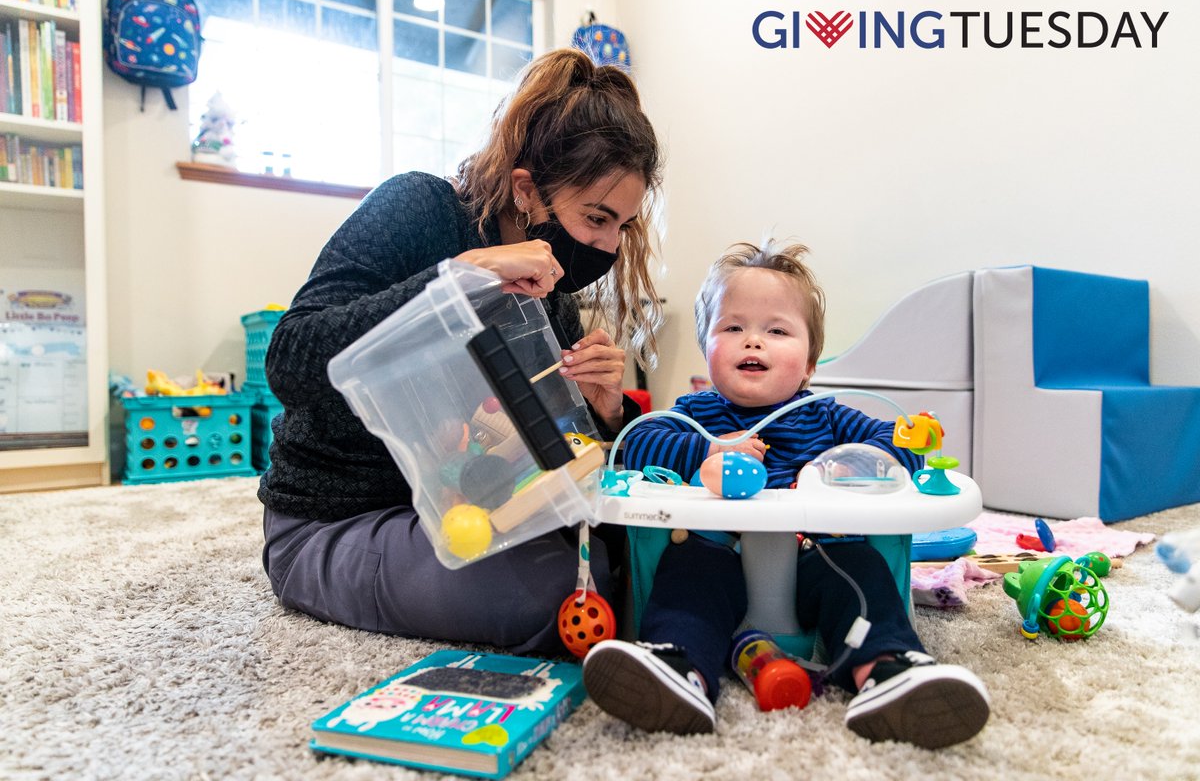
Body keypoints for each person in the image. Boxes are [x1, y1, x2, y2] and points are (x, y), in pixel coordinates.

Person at [259, 48, 662, 657]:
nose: (606, 245)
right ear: (527, 191)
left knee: (644, 549)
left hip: (468, 517)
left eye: (622, 227)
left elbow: (549, 454)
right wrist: (456, 279)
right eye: (597, 218)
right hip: (335, 521)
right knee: (571, 594)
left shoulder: (549, 288)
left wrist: (605, 413)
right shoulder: (418, 208)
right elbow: (289, 361)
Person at [582, 239, 990, 749]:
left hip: (818, 559)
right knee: (687, 572)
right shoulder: (695, 412)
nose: (753, 342)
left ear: (811, 362)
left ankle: (886, 670)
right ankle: (680, 667)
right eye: (733, 328)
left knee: (861, 571)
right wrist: (707, 454)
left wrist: (836, 466)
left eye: (776, 330)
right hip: (719, 557)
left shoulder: (827, 414)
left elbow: (897, 447)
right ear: (707, 346)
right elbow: (635, 442)